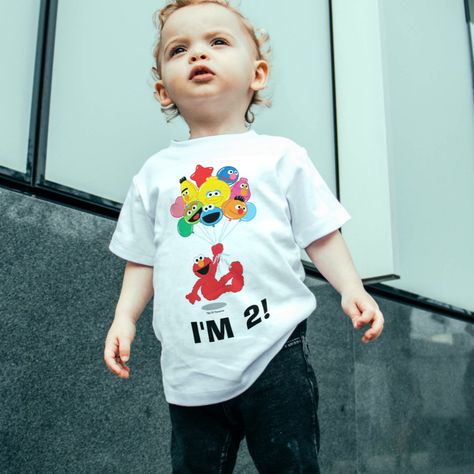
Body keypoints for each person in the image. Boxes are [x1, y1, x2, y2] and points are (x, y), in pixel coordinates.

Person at [103, 0, 385, 472]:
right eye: (179, 49)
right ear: (162, 91)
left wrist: (351, 287)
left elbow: (320, 232)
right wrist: (123, 317)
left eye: (217, 42)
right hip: (191, 367)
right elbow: (142, 257)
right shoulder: (154, 174)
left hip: (274, 350)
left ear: (257, 73)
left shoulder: (280, 157)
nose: (198, 55)